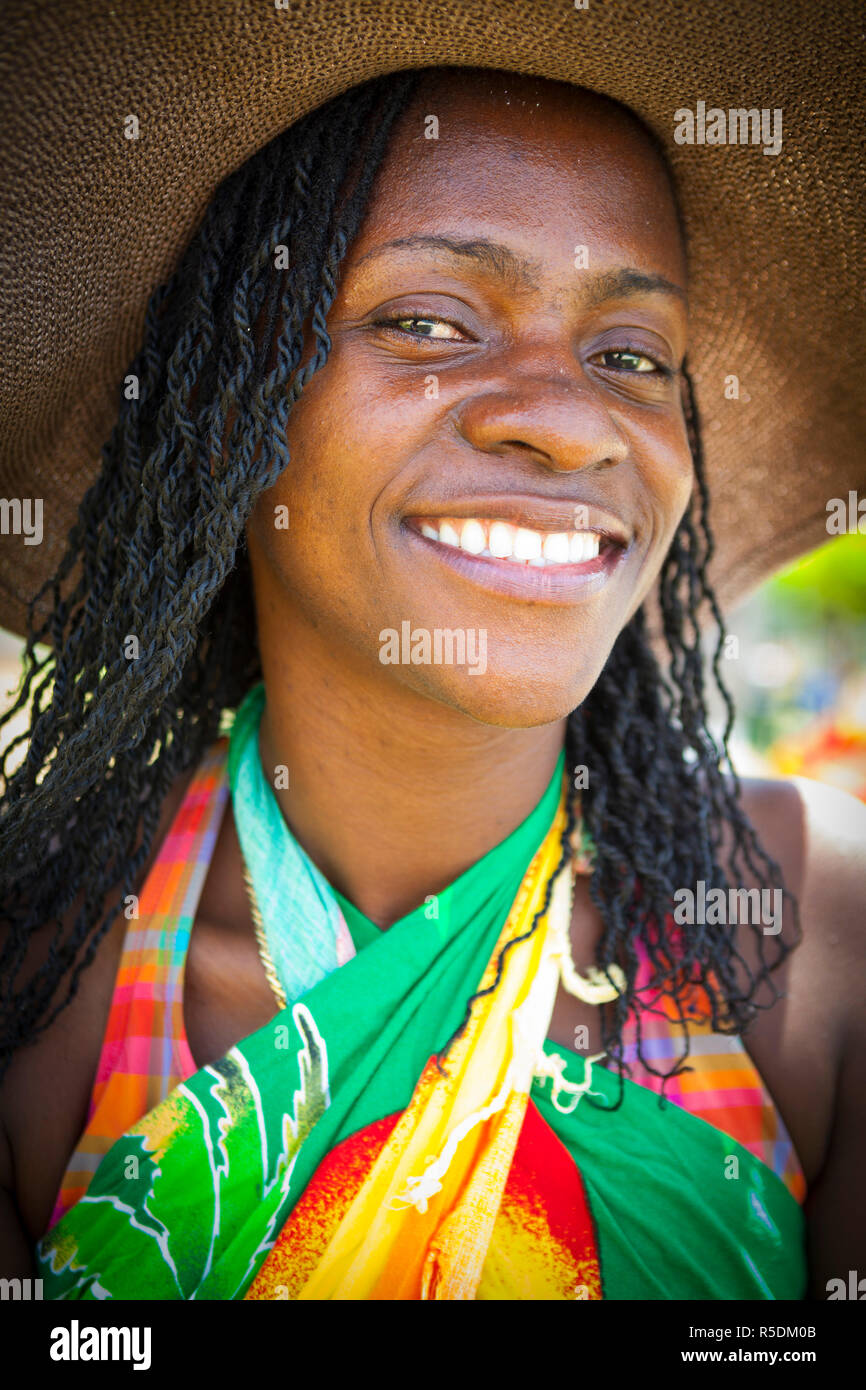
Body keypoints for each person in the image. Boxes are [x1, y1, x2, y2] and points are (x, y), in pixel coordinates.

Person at [0, 47, 863, 1300]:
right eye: (426, 322)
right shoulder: (46, 978)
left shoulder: (811, 939)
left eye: (631, 353)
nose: (567, 421)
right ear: (221, 406)